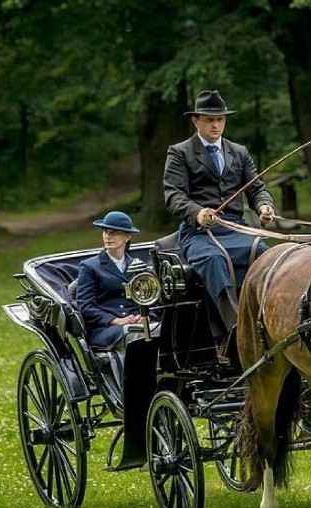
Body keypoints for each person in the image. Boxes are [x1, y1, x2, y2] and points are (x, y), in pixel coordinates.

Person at [163, 89, 276, 362]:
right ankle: (235, 330)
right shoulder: (180, 153)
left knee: (266, 255)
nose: (215, 125)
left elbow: (257, 187)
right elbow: (173, 195)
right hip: (198, 234)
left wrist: (264, 206)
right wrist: (198, 212)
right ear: (196, 121)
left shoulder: (239, 152)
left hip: (236, 229)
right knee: (213, 260)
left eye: (220, 120)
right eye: (209, 119)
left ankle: (271, 322)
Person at [76, 210, 144, 351]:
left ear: (128, 236)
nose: (108, 236)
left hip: (138, 324)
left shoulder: (139, 267)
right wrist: (116, 321)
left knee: (161, 331)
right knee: (136, 335)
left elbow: (151, 300)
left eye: (114, 232)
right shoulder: (89, 266)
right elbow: (86, 307)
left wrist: (143, 317)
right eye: (105, 231)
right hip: (105, 330)